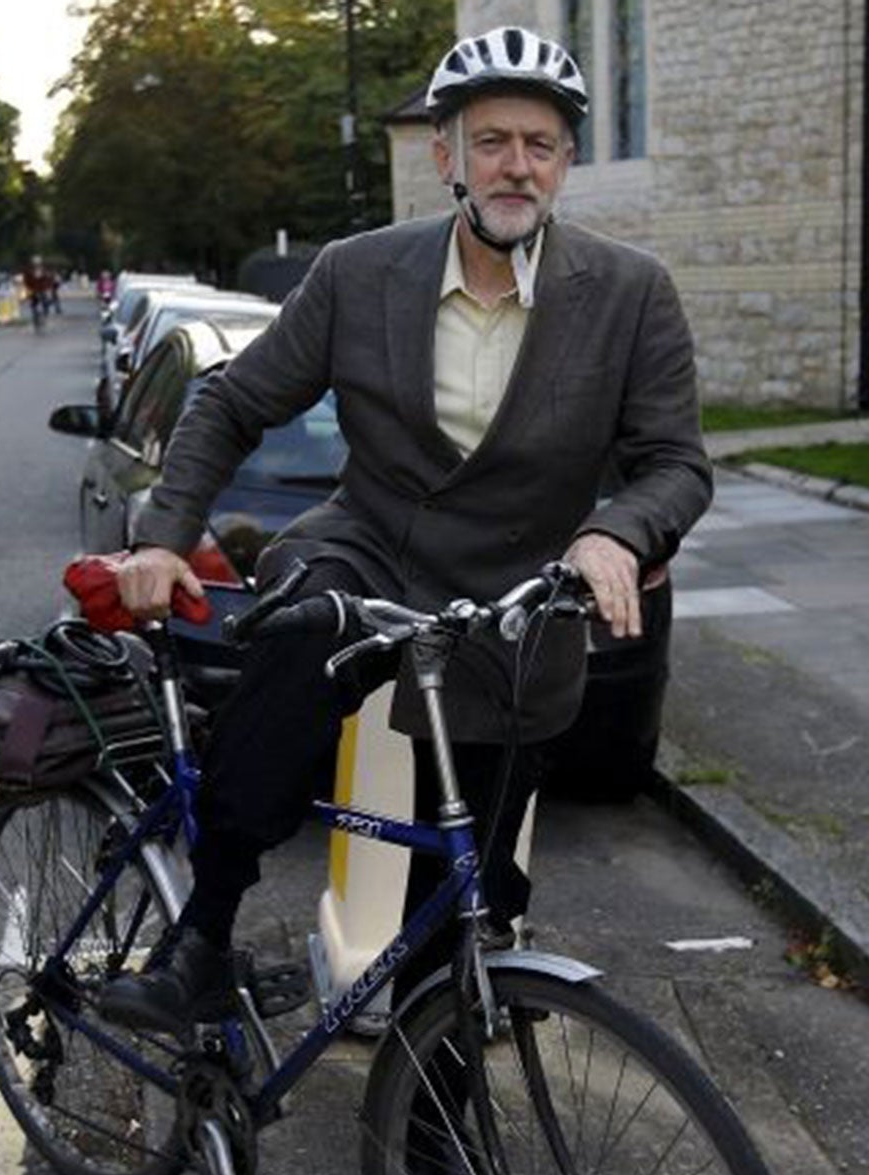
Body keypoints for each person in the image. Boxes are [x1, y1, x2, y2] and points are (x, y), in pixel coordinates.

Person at [101, 26, 710, 1113]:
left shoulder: (629, 293)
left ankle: (437, 1127)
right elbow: (234, 401)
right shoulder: (357, 273)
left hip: (517, 601)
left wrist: (618, 533)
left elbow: (672, 462)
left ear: (564, 160)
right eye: (489, 142)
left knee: (472, 891)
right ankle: (203, 938)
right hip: (368, 547)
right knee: (292, 649)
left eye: (538, 143)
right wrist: (161, 531)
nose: (514, 164)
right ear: (446, 156)